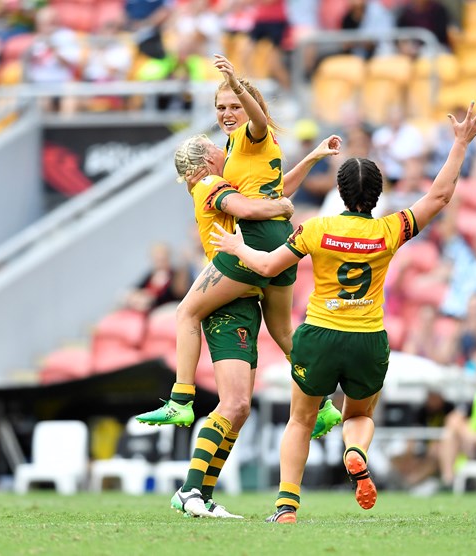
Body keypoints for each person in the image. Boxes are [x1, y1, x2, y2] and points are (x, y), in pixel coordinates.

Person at [210, 102, 476, 522]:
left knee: (301, 421)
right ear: (377, 194)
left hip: (320, 335)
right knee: (358, 415)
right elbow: (440, 195)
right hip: (368, 338)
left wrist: (237, 247)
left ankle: (286, 506)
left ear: (340, 192)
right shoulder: (389, 230)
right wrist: (460, 144)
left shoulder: (316, 229)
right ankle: (355, 451)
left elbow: (268, 267)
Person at [136, 55, 343, 436]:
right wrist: (312, 158)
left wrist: (236, 81)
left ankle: (181, 400)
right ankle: (326, 404)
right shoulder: (237, 148)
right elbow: (278, 191)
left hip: (254, 239)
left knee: (186, 312)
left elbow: (258, 124)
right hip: (281, 239)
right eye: (220, 107)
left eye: (233, 105)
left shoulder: (250, 134)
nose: (227, 113)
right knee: (283, 334)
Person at [168, 134, 293, 518]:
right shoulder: (211, 183)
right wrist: (284, 206)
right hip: (227, 302)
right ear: (207, 159)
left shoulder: (217, 181)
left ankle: (200, 495)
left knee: (240, 409)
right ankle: (189, 487)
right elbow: (251, 209)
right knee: (234, 403)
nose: (224, 149)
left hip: (243, 299)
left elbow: (270, 194)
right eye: (215, 146)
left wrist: (310, 160)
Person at [121, 243, 190, 314]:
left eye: (162, 260)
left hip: (164, 308)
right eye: (157, 260)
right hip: (147, 306)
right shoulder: (151, 274)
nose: (160, 263)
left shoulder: (175, 275)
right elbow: (136, 287)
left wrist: (152, 294)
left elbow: (177, 294)